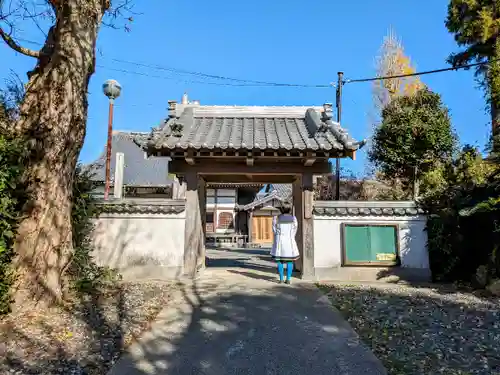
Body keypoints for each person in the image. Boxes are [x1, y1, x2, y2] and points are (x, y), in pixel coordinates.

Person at [271, 204, 299, 284]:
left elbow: (274, 230)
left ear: (281, 209)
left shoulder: (276, 218)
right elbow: (295, 230)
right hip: (290, 241)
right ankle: (289, 279)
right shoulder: (293, 218)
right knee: (290, 261)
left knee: (279, 261)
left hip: (280, 241)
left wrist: (279, 235)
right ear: (289, 209)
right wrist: (290, 236)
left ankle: (281, 279)